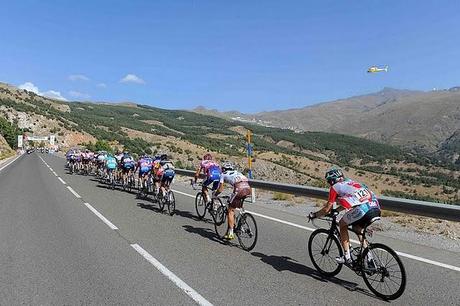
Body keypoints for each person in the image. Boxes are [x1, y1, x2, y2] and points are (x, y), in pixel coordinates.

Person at [308, 167, 381, 265]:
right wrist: (337, 210)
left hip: (363, 208)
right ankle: (370, 259)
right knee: (358, 229)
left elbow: (327, 209)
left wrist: (315, 215)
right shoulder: (351, 182)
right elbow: (352, 200)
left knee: (342, 224)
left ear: (333, 180)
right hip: (375, 207)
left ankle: (347, 257)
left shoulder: (335, 187)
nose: (329, 184)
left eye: (329, 181)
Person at [213, 162, 251, 240]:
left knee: (230, 210)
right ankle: (242, 216)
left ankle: (230, 233)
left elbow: (220, 189)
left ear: (223, 169)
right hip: (248, 188)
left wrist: (215, 195)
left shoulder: (223, 174)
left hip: (238, 189)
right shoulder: (237, 172)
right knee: (239, 200)